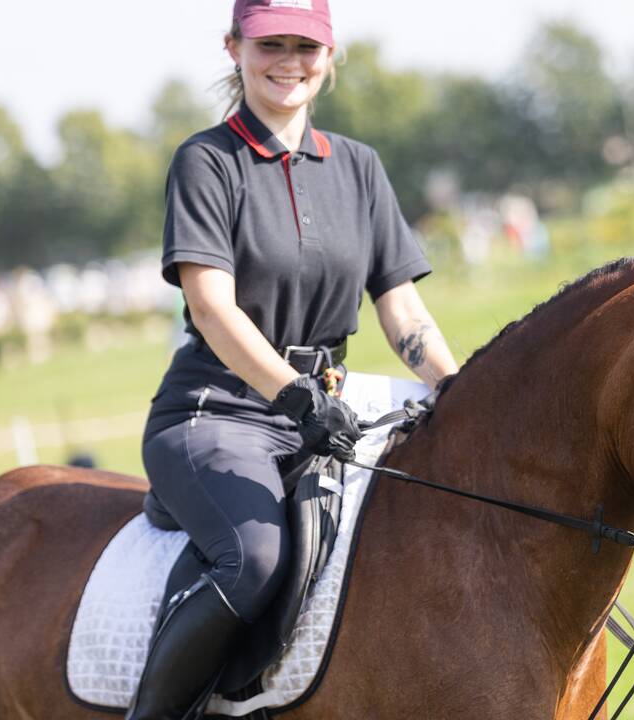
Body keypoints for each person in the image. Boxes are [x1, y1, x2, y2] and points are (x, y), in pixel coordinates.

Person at [129, 1, 459, 717]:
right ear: (233, 48)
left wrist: (461, 390)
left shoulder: (360, 167)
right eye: (270, 43)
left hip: (326, 409)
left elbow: (401, 309)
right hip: (216, 412)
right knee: (255, 557)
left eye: (306, 47)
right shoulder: (206, 161)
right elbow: (214, 309)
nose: (289, 61)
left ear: (330, 57)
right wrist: (292, 395)